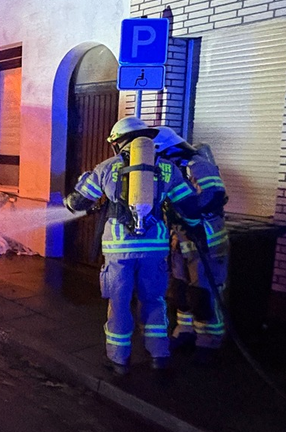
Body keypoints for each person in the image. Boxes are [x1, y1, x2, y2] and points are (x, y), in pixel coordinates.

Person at [64, 117, 196, 375]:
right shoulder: (168, 168)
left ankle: (119, 360)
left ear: (118, 142)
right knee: (154, 301)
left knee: (119, 302)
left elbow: (77, 203)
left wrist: (78, 191)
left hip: (119, 250)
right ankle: (159, 356)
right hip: (155, 249)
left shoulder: (106, 167)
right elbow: (189, 206)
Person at [153, 126, 228, 364]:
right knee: (180, 290)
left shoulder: (198, 165)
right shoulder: (174, 169)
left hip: (204, 240)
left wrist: (187, 213)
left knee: (203, 292)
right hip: (182, 240)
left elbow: (214, 195)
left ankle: (208, 342)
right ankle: (184, 332)